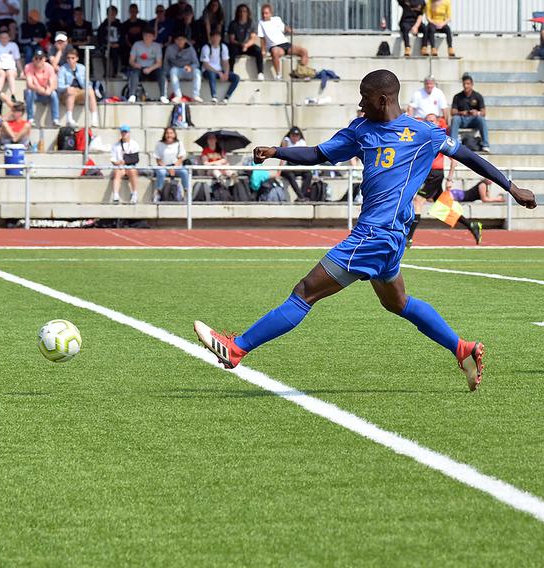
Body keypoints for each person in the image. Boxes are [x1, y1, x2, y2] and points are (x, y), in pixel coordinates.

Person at [193, 69, 538, 393]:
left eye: (364, 97)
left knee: (305, 291)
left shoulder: (423, 133)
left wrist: (510, 187)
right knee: (397, 302)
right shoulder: (361, 130)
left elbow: (468, 156)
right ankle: (462, 348)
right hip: (388, 237)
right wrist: (276, 151)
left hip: (376, 234)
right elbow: (318, 153)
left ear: (383, 100)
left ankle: (237, 348)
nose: (360, 104)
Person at [406, 113, 480, 246]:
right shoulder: (424, 138)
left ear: (438, 123)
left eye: (432, 121)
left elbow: (454, 161)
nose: (429, 123)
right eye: (427, 121)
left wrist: (450, 179)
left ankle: (409, 238)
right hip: (429, 174)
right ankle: (472, 225)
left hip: (434, 174)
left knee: (417, 203)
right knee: (443, 207)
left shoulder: (439, 138)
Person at [258, 3, 308, 81]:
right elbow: (262, 37)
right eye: (263, 13)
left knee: (304, 51)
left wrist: (289, 30)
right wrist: (263, 50)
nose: (264, 15)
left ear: (271, 13)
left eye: (266, 13)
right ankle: (278, 75)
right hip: (274, 46)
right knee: (275, 52)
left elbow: (284, 28)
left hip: (285, 44)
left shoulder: (277, 19)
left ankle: (301, 72)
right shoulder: (261, 23)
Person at [57, 50, 99, 127]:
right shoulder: (63, 69)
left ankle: (94, 119)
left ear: (77, 58)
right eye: (68, 58)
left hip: (79, 91)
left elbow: (87, 83)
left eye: (72, 58)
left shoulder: (82, 68)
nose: (70, 60)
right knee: (71, 91)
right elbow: (59, 86)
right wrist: (68, 87)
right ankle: (69, 119)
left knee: (90, 91)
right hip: (66, 94)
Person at [450, 74, 490, 153]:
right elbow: (452, 112)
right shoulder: (457, 96)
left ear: (472, 84)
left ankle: (485, 145)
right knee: (455, 119)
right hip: (461, 119)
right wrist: (461, 112)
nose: (466, 86)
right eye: (464, 84)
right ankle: (452, 145)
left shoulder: (478, 96)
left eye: (468, 84)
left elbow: (483, 112)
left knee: (481, 119)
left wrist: (477, 112)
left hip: (473, 120)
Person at [127, 28, 167, 104]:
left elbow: (159, 63)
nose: (147, 38)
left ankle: (163, 96)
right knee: (134, 73)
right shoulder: (137, 44)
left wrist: (150, 69)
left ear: (153, 37)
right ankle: (132, 95)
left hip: (152, 68)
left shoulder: (157, 46)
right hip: (140, 67)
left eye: (149, 36)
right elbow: (131, 60)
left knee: (161, 73)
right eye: (145, 36)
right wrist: (135, 64)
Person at [201, 31, 241, 103]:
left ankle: (226, 97)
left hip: (219, 70)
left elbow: (226, 62)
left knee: (236, 78)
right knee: (211, 74)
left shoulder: (223, 47)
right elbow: (205, 64)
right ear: (211, 38)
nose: (216, 39)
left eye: (218, 37)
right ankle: (214, 96)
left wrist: (226, 73)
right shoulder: (206, 48)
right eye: (214, 37)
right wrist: (218, 73)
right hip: (208, 71)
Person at [227, 4, 265, 80]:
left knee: (258, 50)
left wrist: (246, 45)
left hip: (248, 45)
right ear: (237, 13)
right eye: (240, 11)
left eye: (244, 11)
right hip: (237, 45)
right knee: (232, 50)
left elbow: (253, 38)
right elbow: (232, 40)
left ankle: (260, 73)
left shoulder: (252, 23)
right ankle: (230, 71)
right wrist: (241, 44)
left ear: (248, 13)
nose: (242, 13)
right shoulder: (233, 24)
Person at [153, 127, 190, 202]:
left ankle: (186, 193)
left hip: (176, 166)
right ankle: (158, 193)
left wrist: (174, 167)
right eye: (167, 133)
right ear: (164, 134)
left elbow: (180, 158)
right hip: (164, 166)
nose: (169, 135)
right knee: (161, 172)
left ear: (174, 134)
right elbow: (158, 160)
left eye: (171, 133)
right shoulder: (159, 144)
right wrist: (167, 168)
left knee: (184, 172)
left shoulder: (179, 143)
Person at [24, 50, 60, 126]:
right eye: (36, 58)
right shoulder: (28, 67)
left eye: (40, 58)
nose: (38, 60)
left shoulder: (49, 67)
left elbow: (53, 84)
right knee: (29, 92)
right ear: (33, 59)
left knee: (54, 94)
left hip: (46, 91)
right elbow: (29, 84)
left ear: (44, 59)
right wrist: (39, 89)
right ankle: (30, 118)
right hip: (35, 92)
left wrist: (48, 90)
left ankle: (55, 119)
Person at [166, 33, 203, 103]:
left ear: (185, 40)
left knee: (197, 72)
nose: (180, 41)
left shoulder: (190, 48)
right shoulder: (170, 49)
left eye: (182, 40)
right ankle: (178, 95)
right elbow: (166, 63)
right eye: (178, 40)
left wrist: (190, 67)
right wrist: (166, 74)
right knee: (173, 70)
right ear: (175, 40)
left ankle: (196, 95)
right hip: (176, 71)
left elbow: (196, 63)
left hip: (188, 71)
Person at [110, 125, 141, 204]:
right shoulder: (116, 145)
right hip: (120, 167)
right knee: (117, 173)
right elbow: (113, 159)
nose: (124, 134)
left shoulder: (134, 144)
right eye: (123, 132)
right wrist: (117, 163)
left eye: (126, 132)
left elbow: (135, 159)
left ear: (129, 133)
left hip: (130, 166)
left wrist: (125, 161)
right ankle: (116, 195)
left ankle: (135, 193)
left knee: (132, 171)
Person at [279, 126, 312, 201]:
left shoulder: (302, 142)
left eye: (297, 136)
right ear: (290, 135)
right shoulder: (286, 141)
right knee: (290, 175)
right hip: (288, 167)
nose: (295, 138)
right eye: (293, 135)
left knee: (308, 174)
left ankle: (301, 196)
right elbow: (282, 158)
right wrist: (279, 171)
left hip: (298, 166)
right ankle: (301, 196)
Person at [0, 29, 23, 95]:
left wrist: (22, 71)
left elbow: (17, 60)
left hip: (11, 68)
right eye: (2, 38)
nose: (4, 39)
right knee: (2, 74)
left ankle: (13, 94)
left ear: (9, 38)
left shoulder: (14, 45)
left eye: (6, 38)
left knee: (10, 74)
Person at [96, 6, 122, 78]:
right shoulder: (103, 25)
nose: (111, 15)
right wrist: (107, 44)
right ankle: (106, 72)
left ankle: (115, 73)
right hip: (106, 46)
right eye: (110, 13)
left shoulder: (120, 25)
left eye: (113, 13)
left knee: (115, 54)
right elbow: (100, 37)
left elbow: (123, 36)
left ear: (116, 14)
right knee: (105, 54)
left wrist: (118, 44)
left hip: (117, 46)